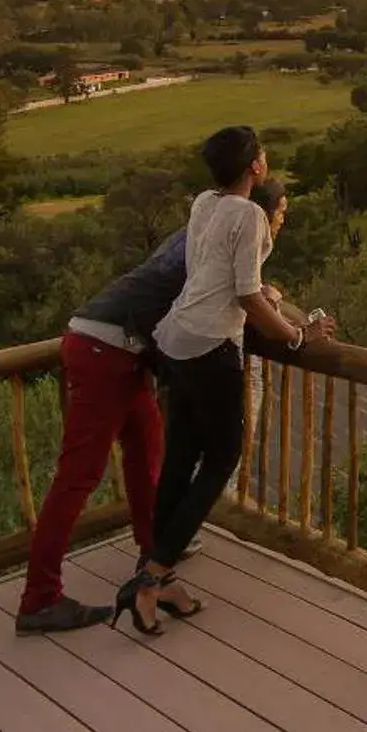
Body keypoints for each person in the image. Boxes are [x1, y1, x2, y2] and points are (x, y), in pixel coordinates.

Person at [11, 180, 287, 633]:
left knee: (147, 457)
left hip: (120, 347)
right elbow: (234, 302)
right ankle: (39, 599)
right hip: (106, 348)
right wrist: (284, 321)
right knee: (77, 477)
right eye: (278, 214)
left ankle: (155, 556)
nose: (278, 223)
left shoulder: (200, 231)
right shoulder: (226, 239)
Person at [116, 125, 332, 633]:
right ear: (255, 167)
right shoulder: (251, 213)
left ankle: (155, 573)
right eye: (263, 154)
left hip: (174, 338)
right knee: (221, 457)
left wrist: (271, 302)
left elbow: (210, 273)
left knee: (181, 457)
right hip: (211, 345)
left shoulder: (204, 204)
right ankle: (152, 578)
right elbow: (247, 296)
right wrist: (299, 338)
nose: (267, 159)